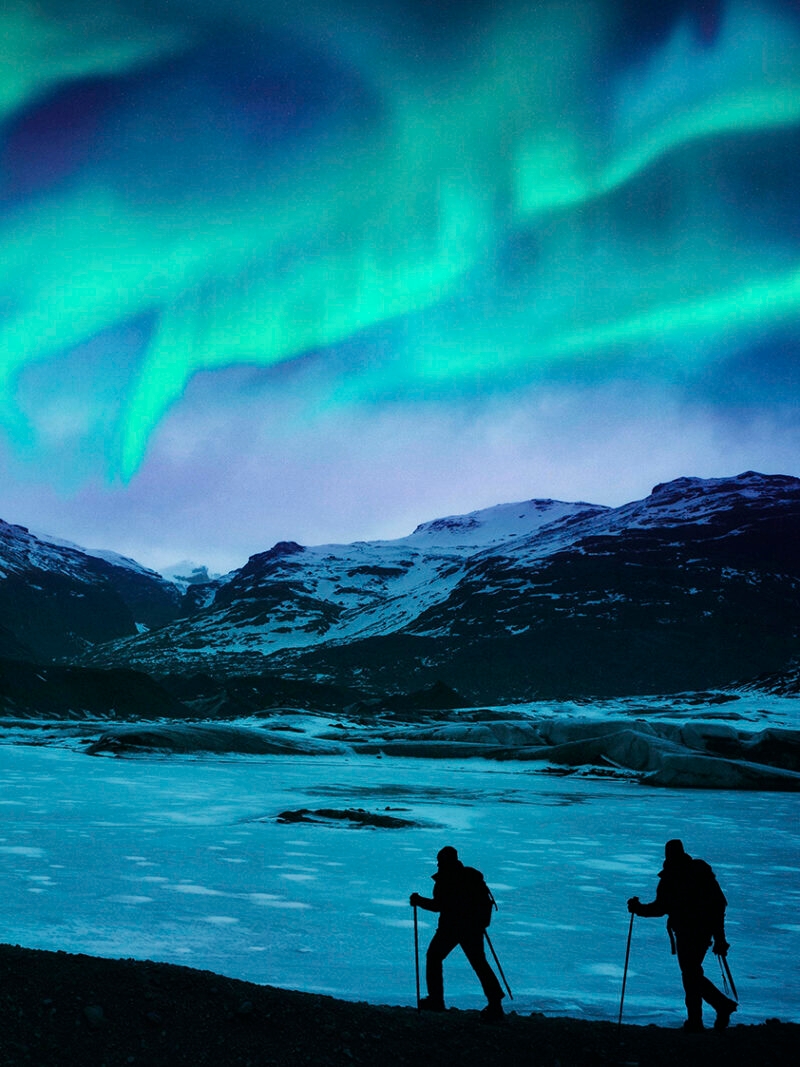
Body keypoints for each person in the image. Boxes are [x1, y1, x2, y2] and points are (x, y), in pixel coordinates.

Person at [627, 838, 737, 1032]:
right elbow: (718, 905)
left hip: (687, 933)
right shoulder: (700, 872)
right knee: (692, 973)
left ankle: (709, 1013)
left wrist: (638, 909)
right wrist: (719, 938)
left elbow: (660, 908)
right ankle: (705, 1016)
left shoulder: (671, 876)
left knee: (690, 974)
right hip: (703, 932)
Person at [409, 845, 505, 1020]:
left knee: (434, 956)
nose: (438, 865)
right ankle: (495, 1004)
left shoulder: (447, 878)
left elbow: (438, 906)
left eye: (440, 861)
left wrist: (418, 900)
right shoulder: (470, 876)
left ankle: (436, 1000)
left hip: (451, 928)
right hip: (473, 927)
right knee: (479, 964)